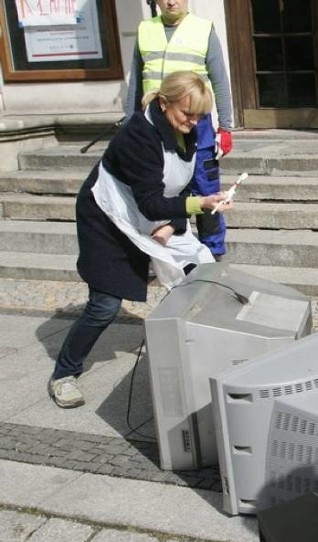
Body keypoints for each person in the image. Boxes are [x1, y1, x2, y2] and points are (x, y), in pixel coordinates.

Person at [49, 70, 234, 409]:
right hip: (107, 216)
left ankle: (211, 353)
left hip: (152, 212)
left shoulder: (186, 131)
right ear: (165, 103)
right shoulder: (138, 135)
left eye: (200, 116)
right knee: (105, 305)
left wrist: (178, 219)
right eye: (187, 114)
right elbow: (151, 200)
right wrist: (197, 207)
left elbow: (180, 186)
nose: (194, 122)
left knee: (202, 273)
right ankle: (64, 373)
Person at [125, 0, 234, 259]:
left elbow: (219, 81)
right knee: (161, 188)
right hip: (156, 123)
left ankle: (213, 252)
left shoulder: (203, 28)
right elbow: (136, 83)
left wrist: (226, 127)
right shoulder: (144, 29)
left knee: (205, 188)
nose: (171, 1)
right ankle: (163, 247)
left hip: (198, 123)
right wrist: (131, 123)